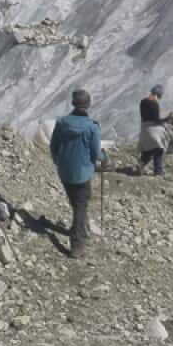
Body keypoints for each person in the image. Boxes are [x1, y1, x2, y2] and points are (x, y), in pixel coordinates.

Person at [49, 89, 106, 259]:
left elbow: (53, 147)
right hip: (82, 173)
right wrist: (104, 157)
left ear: (73, 103)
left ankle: (82, 228)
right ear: (88, 104)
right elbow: (96, 154)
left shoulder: (61, 123)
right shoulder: (92, 127)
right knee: (81, 206)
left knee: (76, 203)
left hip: (64, 171)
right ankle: (77, 243)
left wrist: (59, 162)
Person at [138, 84, 171, 176]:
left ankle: (141, 163)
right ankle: (158, 171)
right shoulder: (154, 104)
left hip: (144, 129)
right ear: (158, 95)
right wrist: (166, 119)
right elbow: (156, 120)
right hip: (153, 130)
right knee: (159, 149)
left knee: (148, 149)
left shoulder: (142, 102)